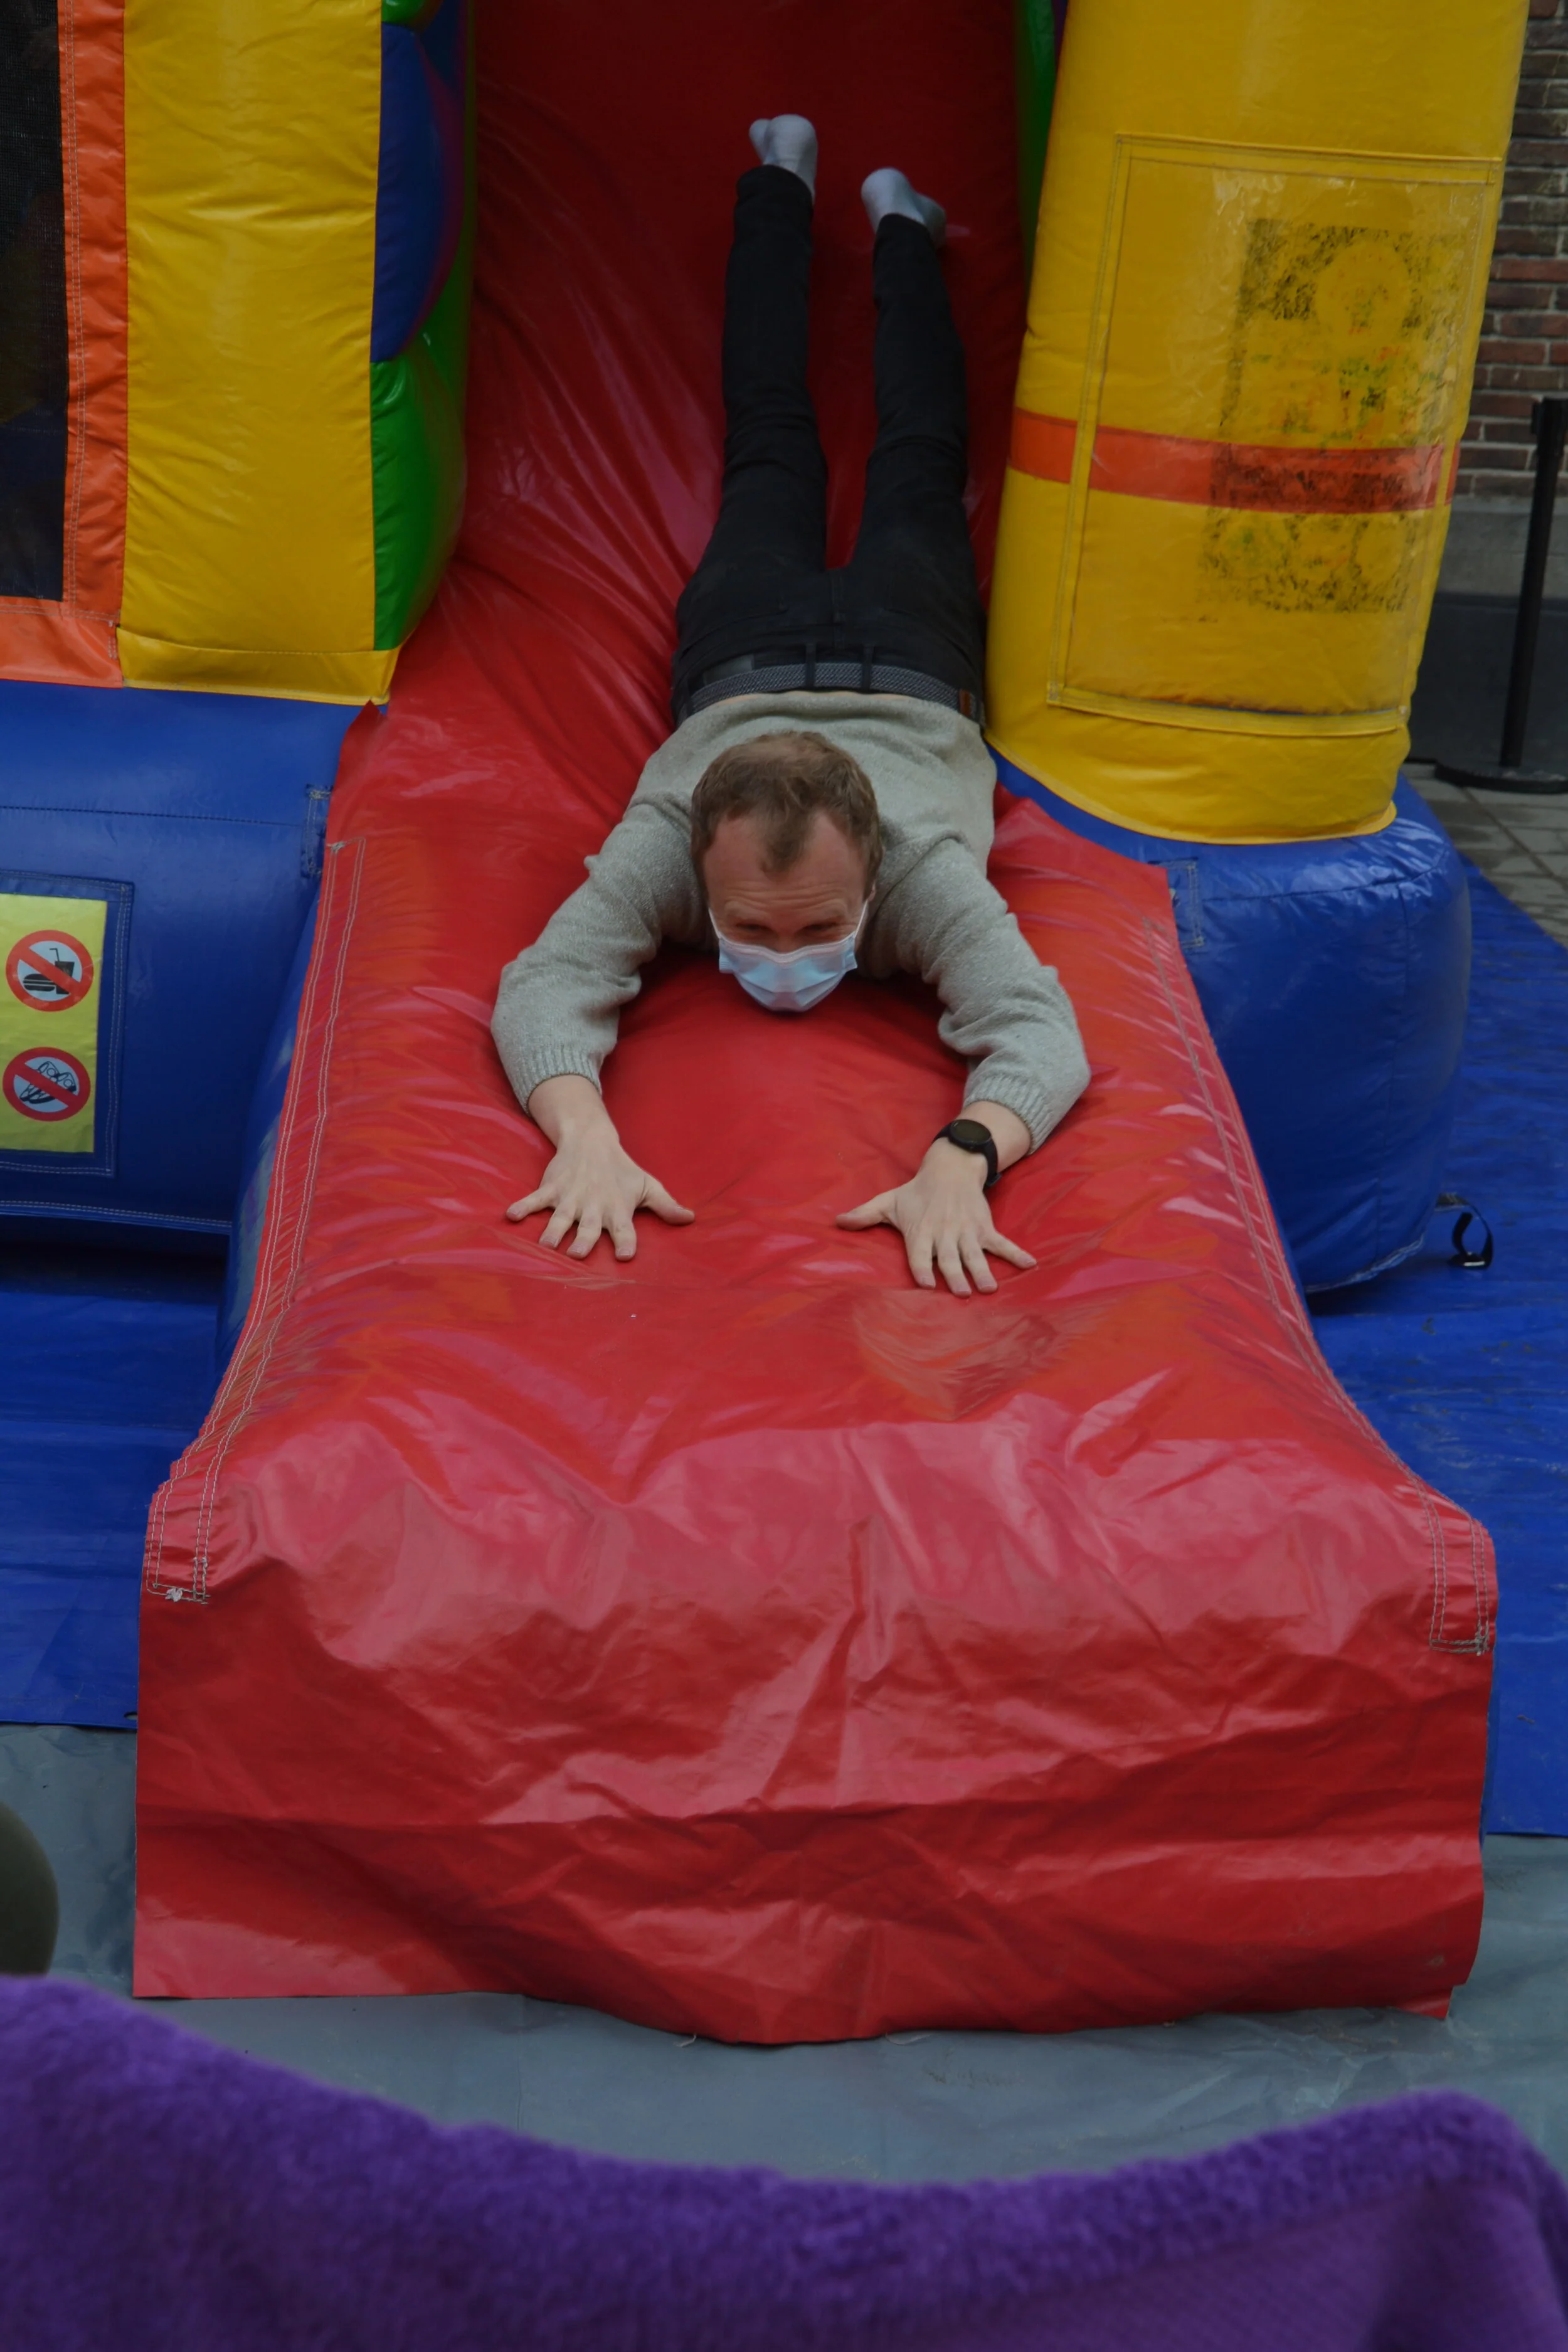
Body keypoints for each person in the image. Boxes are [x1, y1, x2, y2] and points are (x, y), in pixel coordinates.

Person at [492, 116, 1088, 1298]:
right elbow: (544, 986)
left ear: (872, 873)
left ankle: (903, 228)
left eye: (816, 928)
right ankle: (779, 179)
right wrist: (584, 1136)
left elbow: (1041, 1032)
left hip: (880, 659)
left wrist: (962, 1160)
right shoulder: (670, 843)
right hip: (769, 660)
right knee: (779, 444)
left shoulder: (920, 872)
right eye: (749, 928)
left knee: (916, 458)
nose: (780, 963)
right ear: (701, 873)